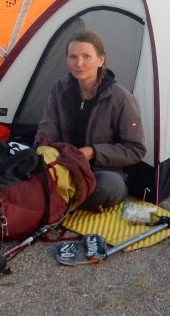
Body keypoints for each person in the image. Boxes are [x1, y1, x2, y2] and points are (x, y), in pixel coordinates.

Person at [34, 30, 146, 211]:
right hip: (64, 165)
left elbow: (135, 149)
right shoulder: (59, 89)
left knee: (109, 185)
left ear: (101, 60)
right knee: (29, 168)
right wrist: (42, 155)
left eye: (86, 56)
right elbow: (47, 128)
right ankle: (72, 199)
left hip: (101, 172)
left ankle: (58, 198)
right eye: (73, 57)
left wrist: (92, 152)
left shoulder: (121, 98)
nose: (79, 63)